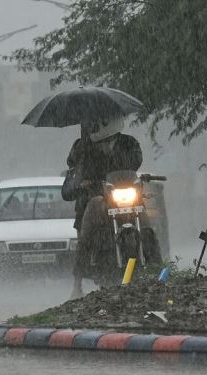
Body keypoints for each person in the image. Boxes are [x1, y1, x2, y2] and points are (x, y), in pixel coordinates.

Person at [63, 117, 142, 299]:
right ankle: (77, 283)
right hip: (94, 198)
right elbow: (71, 180)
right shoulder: (81, 148)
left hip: (123, 197)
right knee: (85, 236)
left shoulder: (129, 143)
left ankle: (148, 263)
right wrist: (80, 184)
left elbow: (135, 164)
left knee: (144, 219)